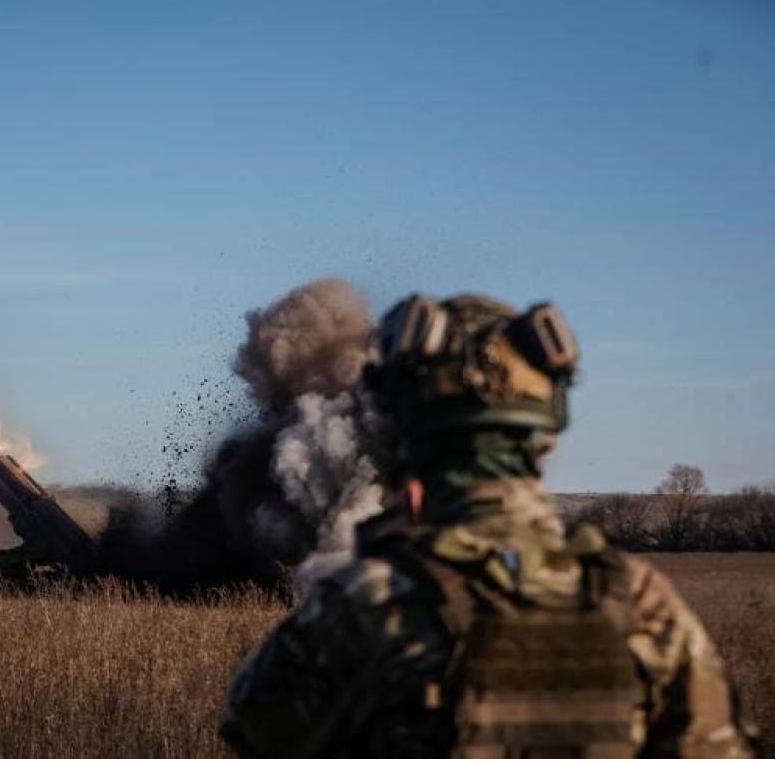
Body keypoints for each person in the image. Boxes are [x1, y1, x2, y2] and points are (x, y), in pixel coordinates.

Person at [220, 293, 758, 759]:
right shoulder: (643, 608)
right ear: (545, 437)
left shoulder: (362, 609)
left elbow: (254, 731)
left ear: (402, 435)